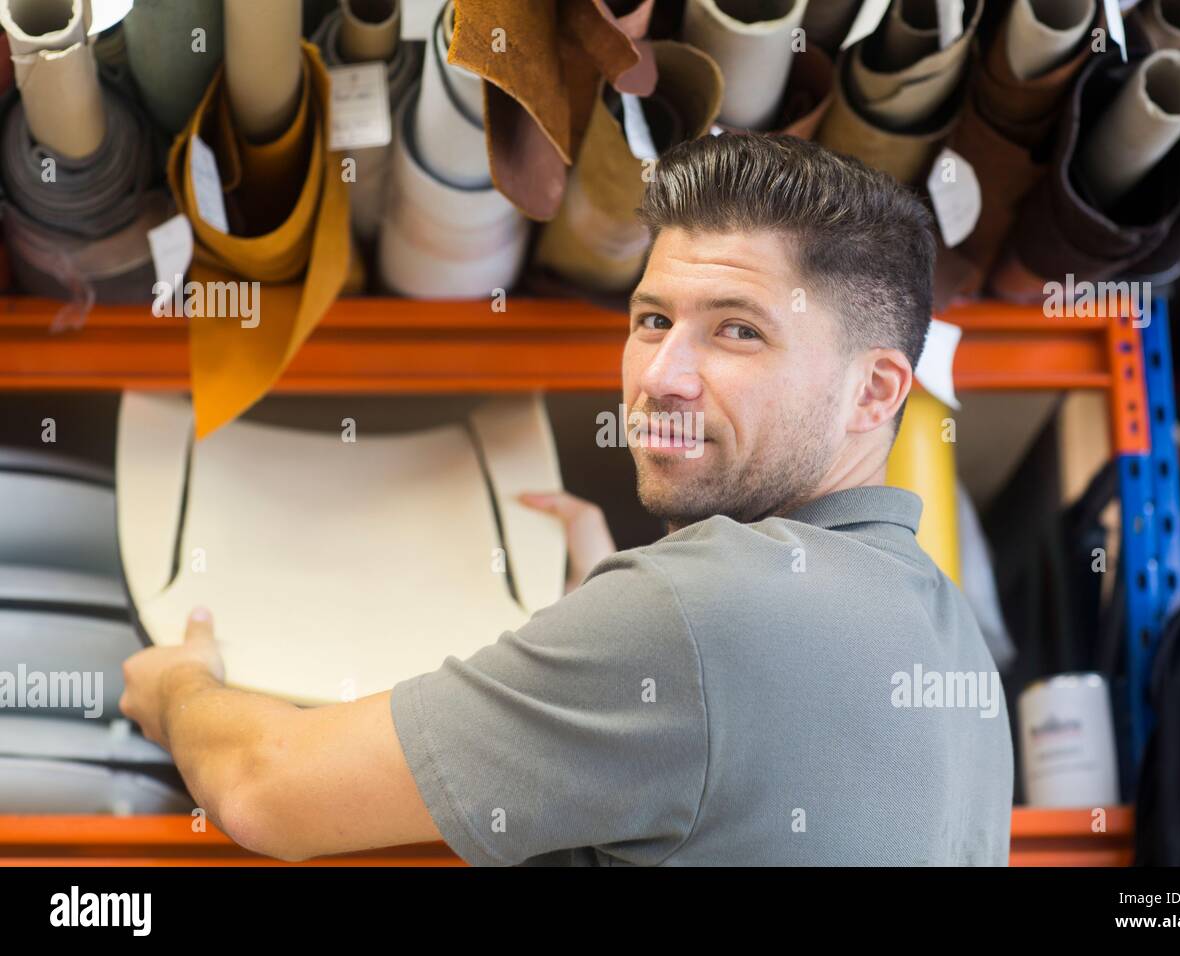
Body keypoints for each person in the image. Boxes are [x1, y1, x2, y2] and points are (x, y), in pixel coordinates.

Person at [120, 133, 1013, 865]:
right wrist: (616, 604)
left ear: (875, 392)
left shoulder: (707, 610)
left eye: (738, 331)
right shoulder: (951, 646)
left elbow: (266, 788)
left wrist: (178, 689)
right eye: (653, 319)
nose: (660, 377)